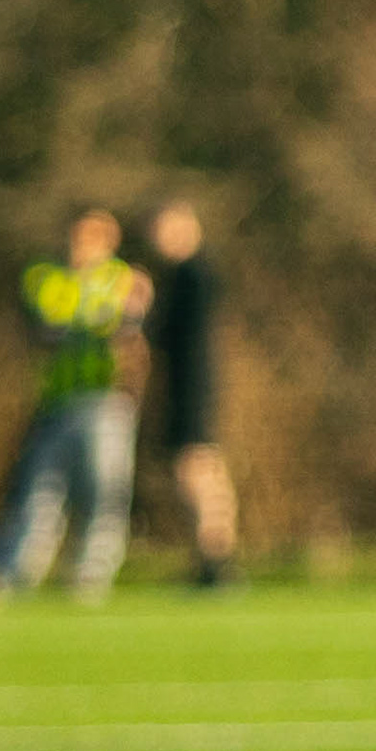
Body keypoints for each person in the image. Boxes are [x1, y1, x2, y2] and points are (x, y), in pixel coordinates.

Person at [0, 206, 150, 601]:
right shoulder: (45, 276)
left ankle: (91, 576)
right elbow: (47, 329)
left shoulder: (121, 278)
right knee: (40, 489)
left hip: (106, 399)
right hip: (57, 399)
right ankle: (15, 572)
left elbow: (131, 336)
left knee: (105, 491)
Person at [146, 199, 239, 587]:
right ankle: (215, 558)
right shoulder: (189, 276)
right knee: (205, 470)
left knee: (196, 471)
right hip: (190, 387)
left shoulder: (193, 276)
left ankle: (214, 560)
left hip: (192, 389)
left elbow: (167, 335)